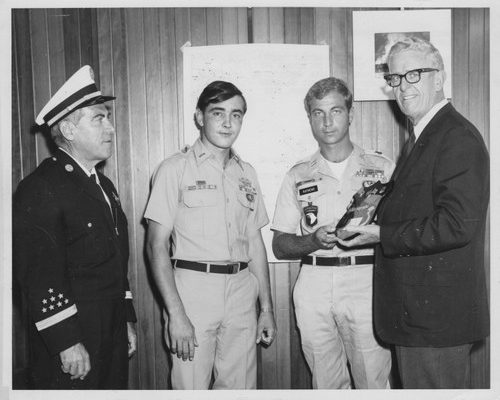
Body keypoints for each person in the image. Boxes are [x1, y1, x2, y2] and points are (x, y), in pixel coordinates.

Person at [338, 36, 490, 389]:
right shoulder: (424, 135)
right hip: (421, 317)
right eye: (395, 78)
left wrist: (382, 234)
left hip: (435, 320)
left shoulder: (456, 137)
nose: (402, 87)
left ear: (439, 78)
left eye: (413, 75)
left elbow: (456, 225)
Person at [144, 80, 276, 390]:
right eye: (218, 113)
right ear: (200, 117)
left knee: (240, 388)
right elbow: (155, 247)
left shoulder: (248, 173)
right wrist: (176, 313)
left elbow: (255, 243)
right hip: (193, 292)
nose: (228, 122)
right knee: (190, 387)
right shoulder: (174, 169)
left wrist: (266, 308)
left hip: (242, 291)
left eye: (237, 114)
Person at [13, 65, 137, 389]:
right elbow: (38, 275)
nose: (110, 127)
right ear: (68, 130)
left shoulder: (104, 185)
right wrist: (65, 340)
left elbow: (115, 262)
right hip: (73, 339)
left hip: (109, 332)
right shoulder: (42, 187)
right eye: (99, 118)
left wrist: (125, 319)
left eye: (108, 117)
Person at [271, 77, 394, 389]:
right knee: (326, 385)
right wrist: (313, 240)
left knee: (373, 381)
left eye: (336, 111)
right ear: (310, 118)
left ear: (350, 114)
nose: (327, 121)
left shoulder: (383, 168)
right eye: (318, 113)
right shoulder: (298, 174)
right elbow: (280, 245)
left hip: (366, 280)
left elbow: (400, 231)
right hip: (314, 284)